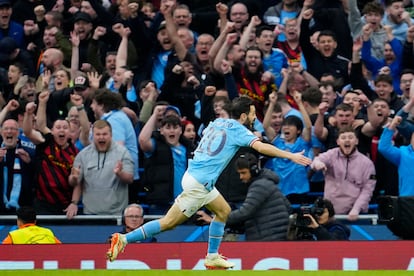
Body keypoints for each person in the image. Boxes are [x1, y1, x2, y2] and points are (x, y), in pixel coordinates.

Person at [106, 96, 311, 269]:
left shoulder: (217, 122)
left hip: (196, 176)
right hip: (200, 184)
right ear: (242, 116)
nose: (253, 117)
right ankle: (123, 239)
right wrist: (289, 155)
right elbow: (262, 148)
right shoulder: (239, 130)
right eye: (251, 114)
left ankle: (212, 255)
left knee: (223, 210)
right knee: (168, 223)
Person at [197, 153, 291, 241]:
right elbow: (288, 207)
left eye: (243, 173)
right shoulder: (267, 182)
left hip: (267, 239)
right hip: (274, 237)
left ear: (254, 170)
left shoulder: (259, 185)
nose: (241, 177)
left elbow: (244, 213)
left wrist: (215, 219)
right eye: (239, 173)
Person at [68, 120, 134, 216]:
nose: (101, 137)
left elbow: (130, 179)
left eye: (104, 134)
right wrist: (74, 202)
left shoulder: (123, 152)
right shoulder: (83, 155)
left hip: (116, 214)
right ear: (93, 136)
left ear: (111, 135)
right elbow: (76, 183)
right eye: (98, 134)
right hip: (90, 214)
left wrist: (120, 173)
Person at [310, 128, 376, 220]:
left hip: (355, 214)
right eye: (343, 138)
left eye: (350, 137)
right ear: (338, 142)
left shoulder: (367, 163)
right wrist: (317, 164)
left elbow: (367, 189)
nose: (347, 140)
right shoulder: (331, 154)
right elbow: (317, 160)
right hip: (330, 213)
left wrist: (356, 209)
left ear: (356, 141)